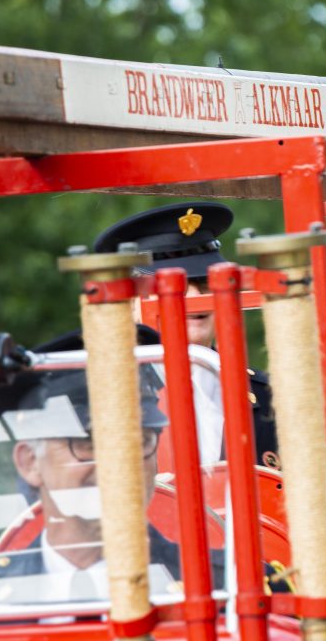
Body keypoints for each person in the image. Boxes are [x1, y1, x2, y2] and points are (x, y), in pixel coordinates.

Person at [0, 333, 223, 606]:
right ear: (30, 463)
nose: (118, 465)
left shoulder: (227, 589)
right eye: (89, 443)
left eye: (138, 440)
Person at [94, 201, 279, 468]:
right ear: (131, 301)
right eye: (175, 287)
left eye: (205, 283)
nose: (194, 297)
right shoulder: (101, 400)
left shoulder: (272, 397)